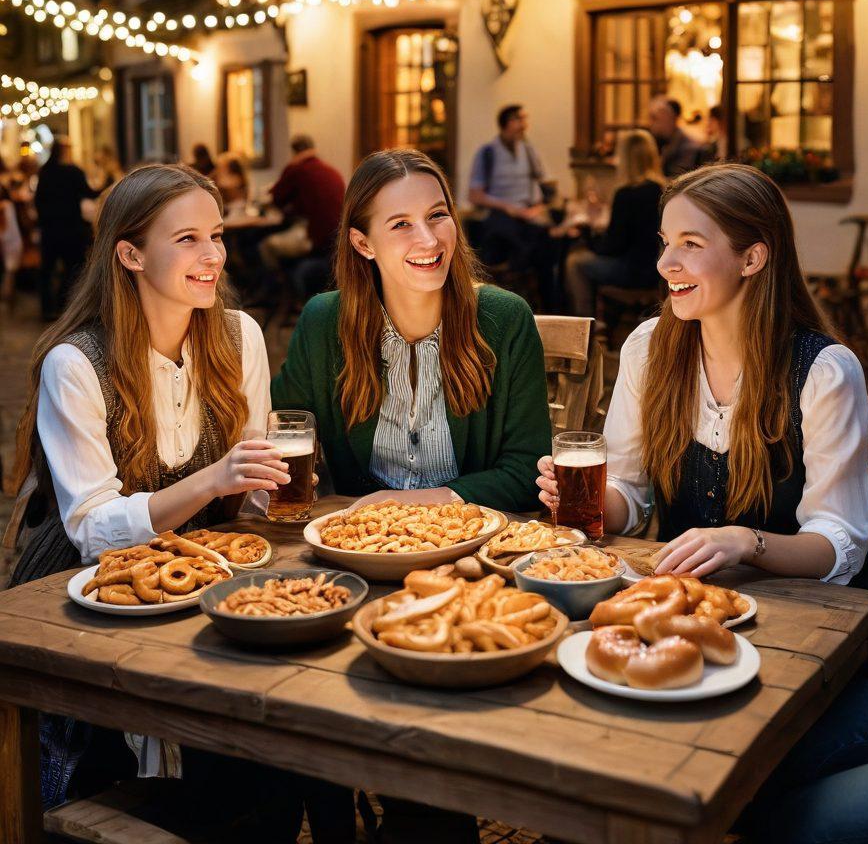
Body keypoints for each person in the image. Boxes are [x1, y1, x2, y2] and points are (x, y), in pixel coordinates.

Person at [537, 163, 868, 844]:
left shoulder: (822, 371)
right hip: (701, 636)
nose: (667, 261)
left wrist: (745, 542)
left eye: (693, 245)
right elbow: (630, 498)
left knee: (724, 786)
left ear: (753, 257)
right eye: (666, 241)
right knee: (632, 768)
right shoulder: (651, 347)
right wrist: (583, 501)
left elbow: (841, 546)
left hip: (838, 654)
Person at [8, 163, 352, 842]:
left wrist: (265, 494)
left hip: (205, 578)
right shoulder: (75, 365)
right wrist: (212, 481)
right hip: (77, 599)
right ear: (131, 255)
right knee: (99, 774)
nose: (214, 256)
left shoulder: (238, 335)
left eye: (217, 236)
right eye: (188, 239)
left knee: (285, 732)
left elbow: (247, 493)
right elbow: (92, 530)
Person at [272, 147, 551, 843]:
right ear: (362, 243)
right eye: (400, 225)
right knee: (281, 664)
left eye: (438, 216)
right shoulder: (323, 322)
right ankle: (329, 809)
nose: (429, 241)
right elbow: (288, 439)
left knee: (429, 677)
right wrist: (267, 484)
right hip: (355, 560)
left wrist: (416, 509)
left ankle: (423, 818)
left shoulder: (503, 319)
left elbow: (526, 469)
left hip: (472, 564)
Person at [564, 130, 664, 316]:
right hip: (657, 269)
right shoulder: (661, 189)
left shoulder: (627, 194)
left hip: (633, 270)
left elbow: (613, 246)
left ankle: (586, 325)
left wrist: (588, 235)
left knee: (575, 262)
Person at [468, 104, 554, 310]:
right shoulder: (487, 152)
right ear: (506, 123)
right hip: (500, 214)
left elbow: (542, 184)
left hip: (526, 214)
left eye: (525, 119)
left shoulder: (529, 151)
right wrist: (508, 207)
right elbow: (475, 195)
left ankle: (549, 305)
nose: (524, 125)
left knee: (548, 241)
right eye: (519, 119)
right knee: (512, 236)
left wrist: (538, 207)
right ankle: (516, 297)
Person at [260, 134, 345, 301]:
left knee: (266, 247)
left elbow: (276, 197)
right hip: (336, 239)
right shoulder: (330, 170)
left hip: (313, 237)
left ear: (294, 151)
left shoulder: (297, 169)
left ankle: (280, 296)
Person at [34, 136, 100, 320]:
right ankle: (63, 305)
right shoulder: (73, 172)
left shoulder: (45, 171)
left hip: (50, 228)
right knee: (73, 268)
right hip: (71, 228)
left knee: (47, 269)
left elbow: (38, 201)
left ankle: (47, 308)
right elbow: (90, 192)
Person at [648, 95, 701, 178]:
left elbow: (677, 180)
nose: (651, 123)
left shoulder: (687, 147)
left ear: (671, 118)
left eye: (655, 118)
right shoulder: (659, 141)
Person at [0, 179, 23, 304]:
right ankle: (8, 297)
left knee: (9, 272)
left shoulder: (5, 206)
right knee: (10, 272)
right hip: (13, 242)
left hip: (9, 243)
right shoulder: (8, 205)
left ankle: (8, 296)